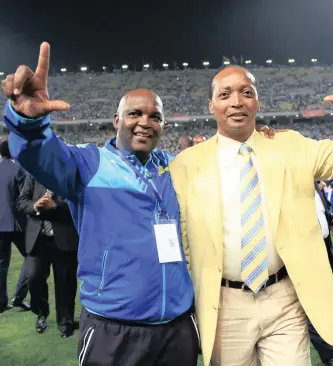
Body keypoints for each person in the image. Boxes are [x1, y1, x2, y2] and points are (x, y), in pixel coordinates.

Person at [169, 55, 333, 366]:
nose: (236, 102)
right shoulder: (185, 165)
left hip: (283, 297)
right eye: (225, 95)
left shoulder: (290, 145)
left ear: (258, 101)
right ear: (211, 105)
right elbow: (183, 238)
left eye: (246, 92)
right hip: (224, 303)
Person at [2, 42, 198, 366]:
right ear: (115, 120)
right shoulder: (88, 165)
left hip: (176, 327)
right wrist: (27, 122)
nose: (145, 122)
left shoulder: (175, 167)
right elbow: (39, 155)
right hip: (113, 330)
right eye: (135, 113)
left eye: (156, 116)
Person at [16, 173, 79, 337]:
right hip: (38, 239)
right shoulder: (33, 173)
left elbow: (80, 203)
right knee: (34, 278)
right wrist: (35, 206)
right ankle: (41, 312)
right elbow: (21, 201)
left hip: (64, 239)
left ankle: (65, 321)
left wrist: (56, 206)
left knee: (65, 283)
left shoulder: (70, 175)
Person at [309, 182, 333, 366]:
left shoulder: (315, 183)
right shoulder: (290, 180)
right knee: (311, 307)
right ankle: (329, 355)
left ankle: (330, 354)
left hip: (323, 248)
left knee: (321, 305)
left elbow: (319, 208)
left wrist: (329, 220)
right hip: (303, 253)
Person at [0, 140, 30, 313]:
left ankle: (1, 303)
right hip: (16, 223)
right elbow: (22, 198)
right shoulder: (17, 169)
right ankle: (19, 296)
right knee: (30, 255)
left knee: (2, 264)